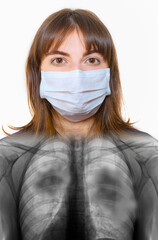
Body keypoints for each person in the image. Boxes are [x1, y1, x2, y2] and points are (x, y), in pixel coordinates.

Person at [0, 8, 158, 240]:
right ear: (38, 74)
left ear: (109, 75)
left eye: (91, 60)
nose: (77, 74)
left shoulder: (146, 157)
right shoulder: (8, 160)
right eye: (59, 60)